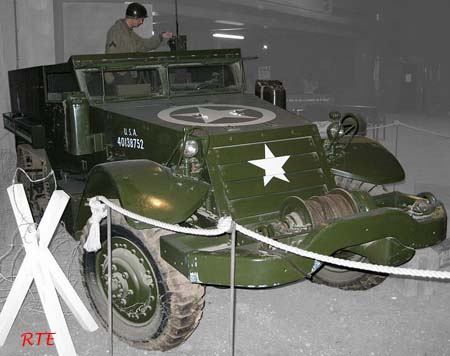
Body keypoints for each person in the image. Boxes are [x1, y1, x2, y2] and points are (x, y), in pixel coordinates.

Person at [105, 2, 173, 54]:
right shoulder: (116, 31)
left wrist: (161, 36)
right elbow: (111, 55)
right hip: (120, 71)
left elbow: (144, 44)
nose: (141, 22)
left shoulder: (129, 33)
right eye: (140, 19)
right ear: (133, 18)